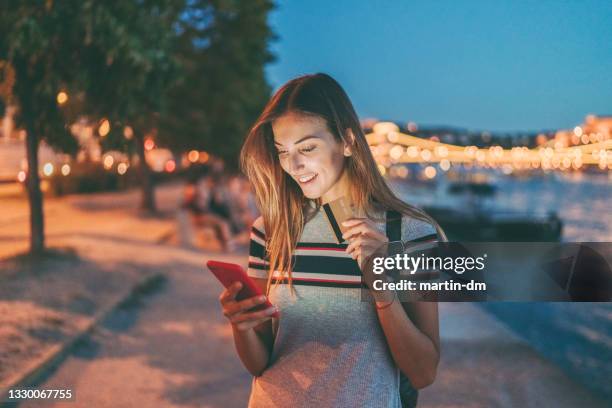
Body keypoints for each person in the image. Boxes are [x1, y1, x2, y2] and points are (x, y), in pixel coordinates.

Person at [218, 73, 446, 407]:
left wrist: (382, 290)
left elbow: (424, 373)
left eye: (307, 148)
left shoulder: (409, 234)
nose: (293, 166)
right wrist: (242, 325)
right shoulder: (271, 231)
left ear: (349, 141)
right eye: (283, 151)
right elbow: (260, 363)